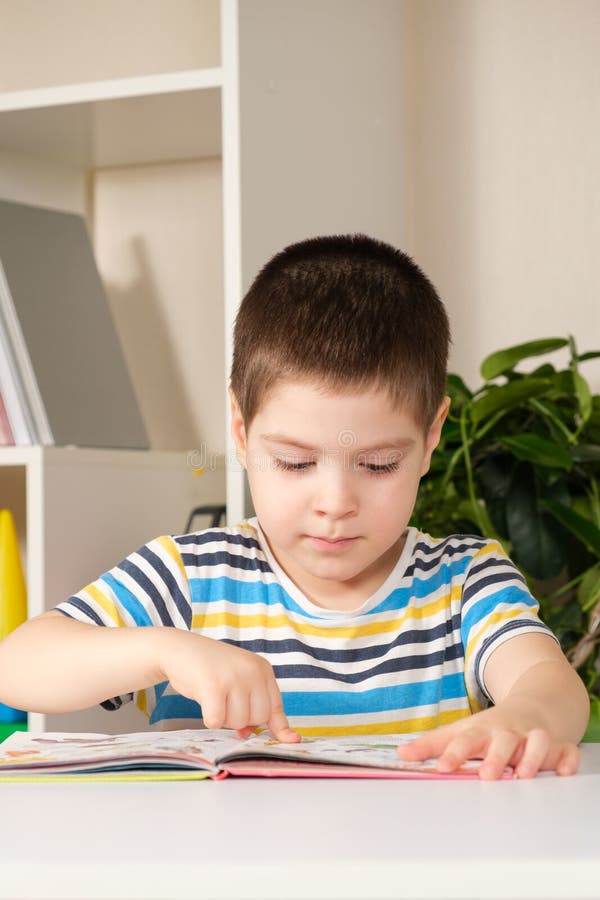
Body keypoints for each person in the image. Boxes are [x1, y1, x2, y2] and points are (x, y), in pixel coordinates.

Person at [0, 234, 590, 779]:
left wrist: (526, 716)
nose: (334, 504)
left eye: (379, 464)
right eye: (295, 463)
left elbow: (552, 685)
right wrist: (162, 650)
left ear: (432, 436)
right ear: (240, 429)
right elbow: (18, 664)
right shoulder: (190, 578)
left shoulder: (464, 584)